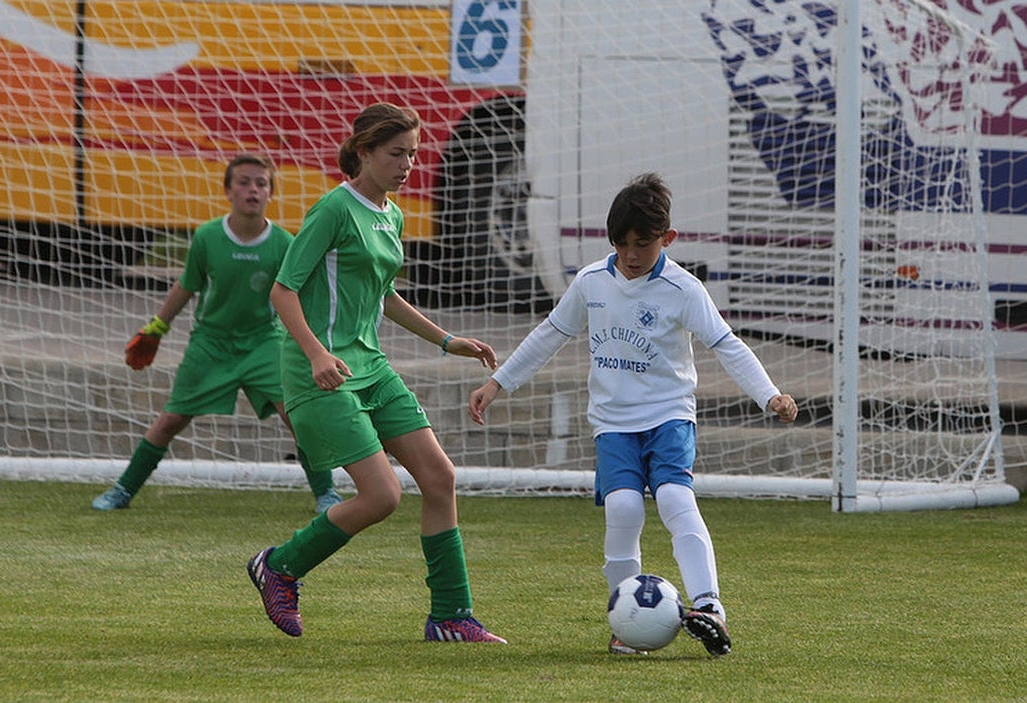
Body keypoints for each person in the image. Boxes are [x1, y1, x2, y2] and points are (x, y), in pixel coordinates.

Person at [468, 172, 798, 656]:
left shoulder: (683, 289)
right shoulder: (592, 282)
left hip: (669, 415)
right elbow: (550, 334)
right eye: (620, 243)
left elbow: (726, 345)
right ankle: (628, 624)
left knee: (672, 497)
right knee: (623, 508)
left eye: (642, 244)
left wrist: (769, 395)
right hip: (613, 423)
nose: (630, 255)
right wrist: (498, 383)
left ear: (669, 239)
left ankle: (709, 606)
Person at [246, 103, 506, 643]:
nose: (408, 163)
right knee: (383, 496)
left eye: (413, 153)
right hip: (323, 373)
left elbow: (382, 294)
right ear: (363, 152)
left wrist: (447, 340)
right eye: (396, 153)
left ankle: (451, 617)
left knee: (440, 478)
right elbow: (282, 290)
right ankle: (280, 566)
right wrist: (317, 354)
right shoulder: (333, 209)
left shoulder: (392, 213)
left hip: (372, 369)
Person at [92, 153, 343, 514]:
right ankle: (122, 490)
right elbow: (186, 286)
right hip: (210, 344)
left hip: (263, 343)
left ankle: (326, 494)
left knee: (297, 415)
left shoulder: (284, 243)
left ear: (271, 192)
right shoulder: (208, 236)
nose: (252, 190)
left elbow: (297, 297)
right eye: (244, 182)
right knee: (170, 420)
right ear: (227, 190)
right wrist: (156, 328)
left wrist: (317, 345)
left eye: (261, 183)